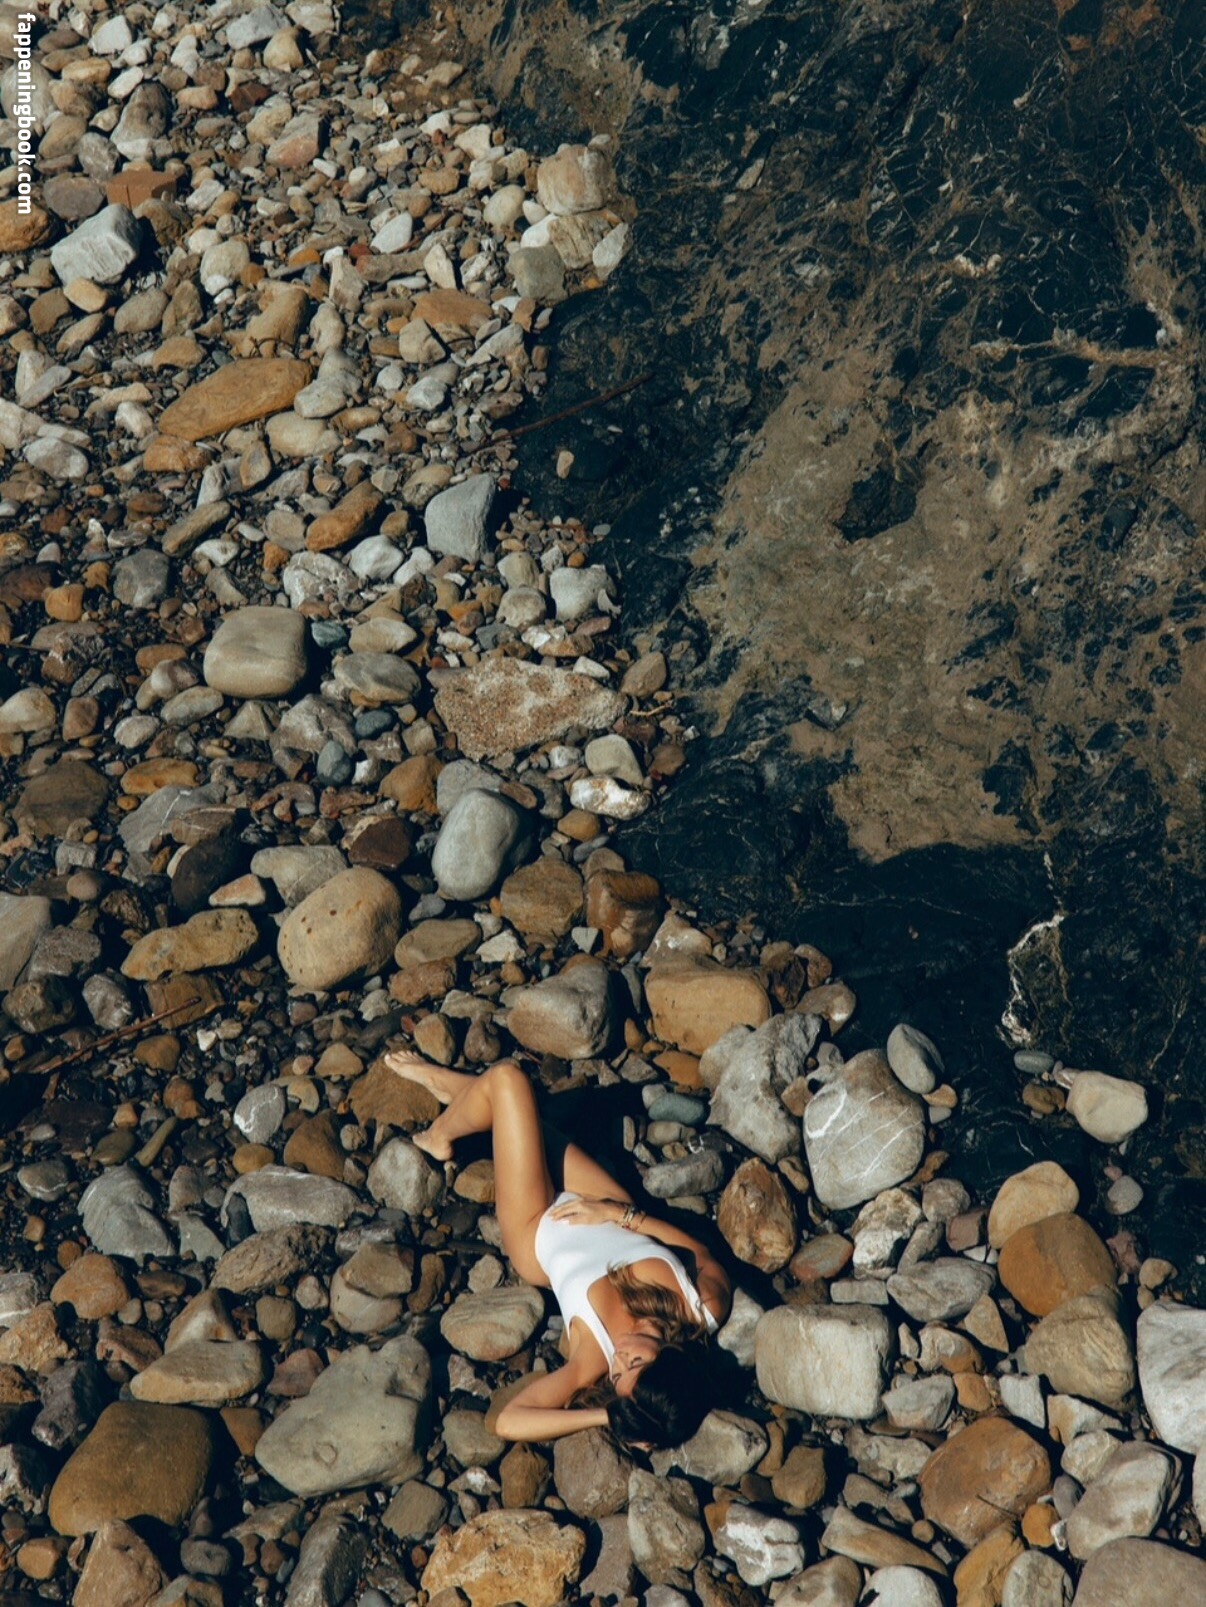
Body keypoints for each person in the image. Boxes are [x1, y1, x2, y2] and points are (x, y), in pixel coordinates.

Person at [384, 1049, 732, 1451]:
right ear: (670, 1359)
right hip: (604, 1203)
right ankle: (455, 1091)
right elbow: (698, 1250)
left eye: (618, 1378)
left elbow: (508, 1421)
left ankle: (440, 1136)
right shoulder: (702, 1307)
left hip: (536, 1225)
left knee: (509, 1082)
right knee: (518, 1113)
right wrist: (620, 1214)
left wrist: (612, 1415)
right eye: (635, 1362)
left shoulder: (594, 1358)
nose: (620, 1359)